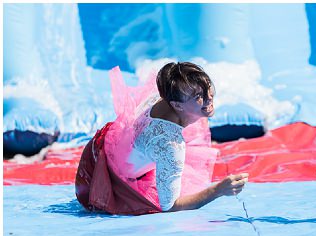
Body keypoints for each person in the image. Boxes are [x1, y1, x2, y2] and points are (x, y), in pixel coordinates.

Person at [75, 61, 248, 215]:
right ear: (176, 105)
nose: (209, 97)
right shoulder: (169, 145)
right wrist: (218, 190)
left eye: (208, 88)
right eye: (198, 97)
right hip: (103, 182)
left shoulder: (166, 94)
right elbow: (170, 206)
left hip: (103, 144)